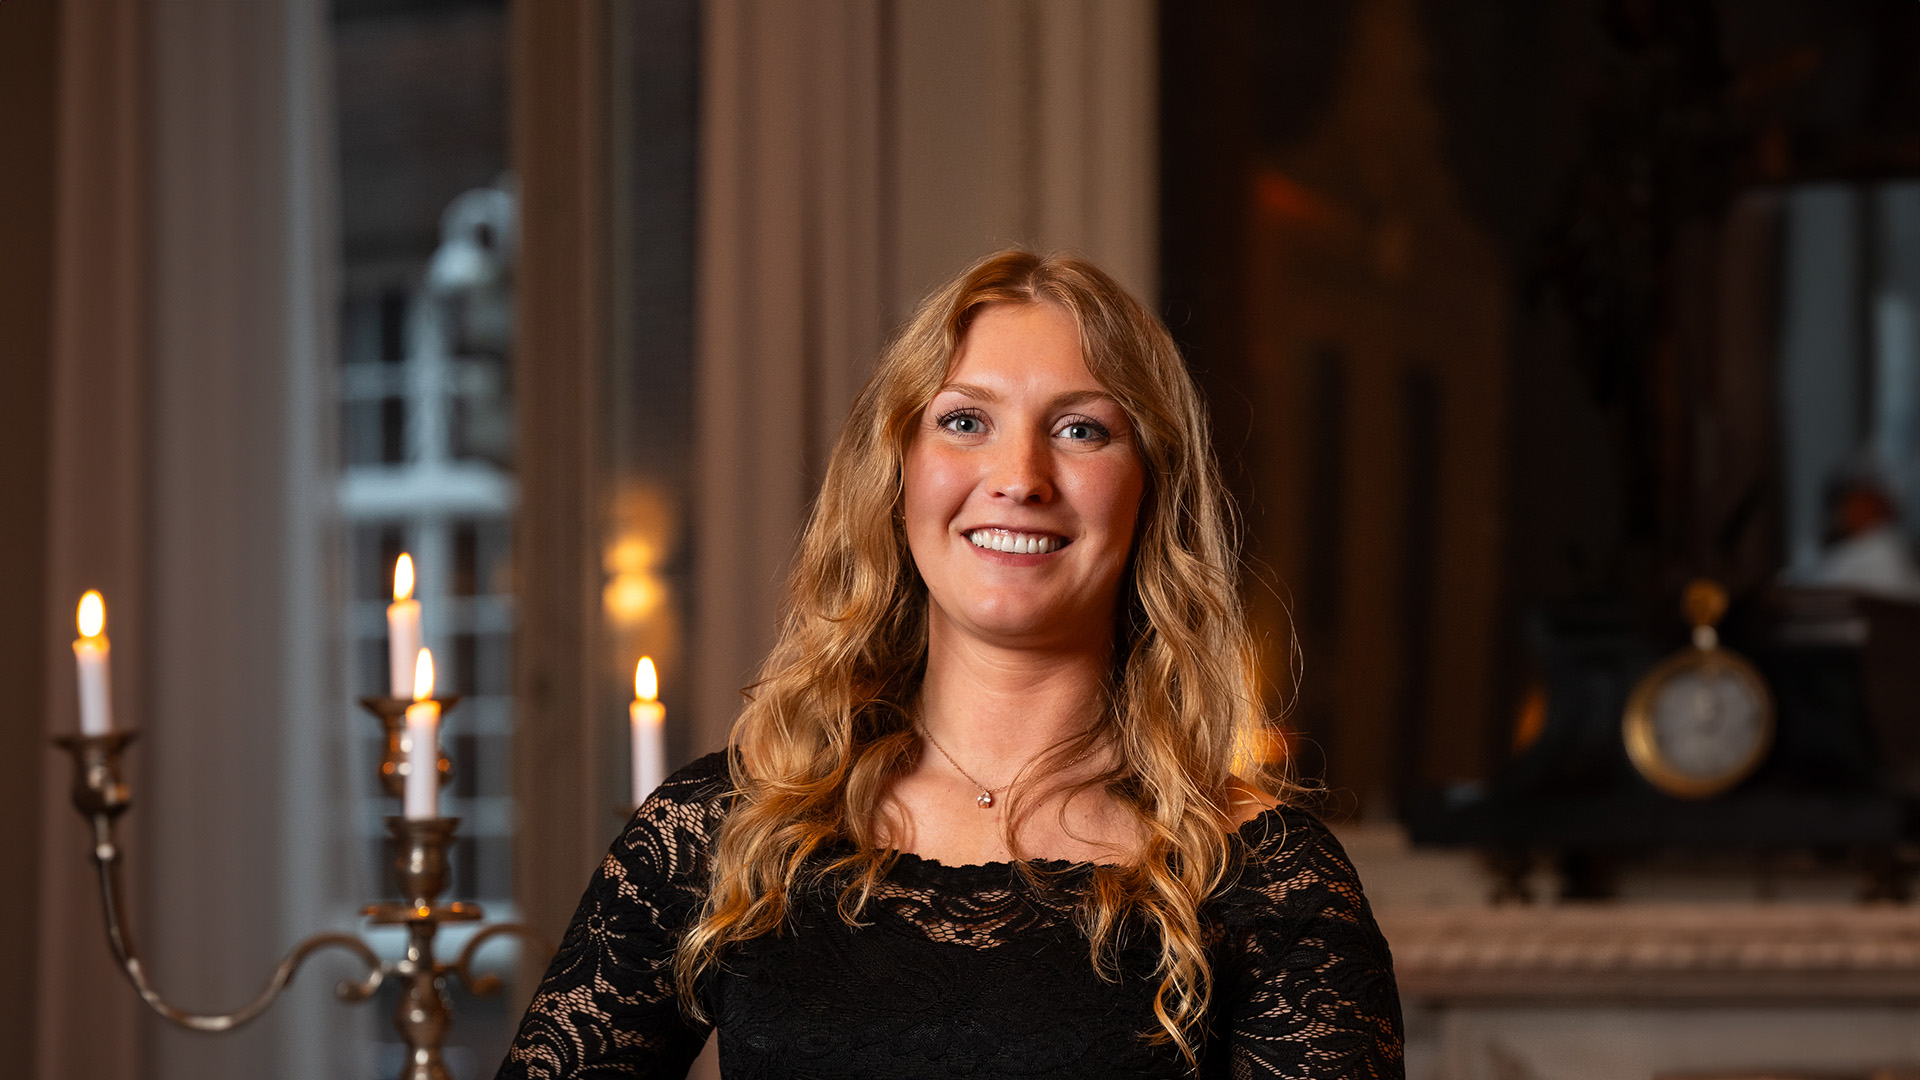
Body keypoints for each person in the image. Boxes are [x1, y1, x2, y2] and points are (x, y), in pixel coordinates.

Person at [496, 250, 1403, 1079]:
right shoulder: (726, 832)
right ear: (896, 476)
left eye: (1081, 430)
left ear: (1151, 490)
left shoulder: (1269, 881)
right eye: (965, 421)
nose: (1019, 476)